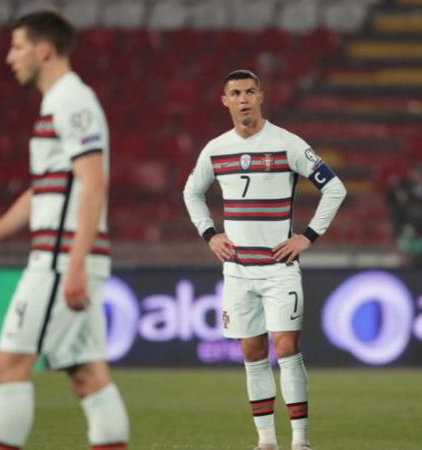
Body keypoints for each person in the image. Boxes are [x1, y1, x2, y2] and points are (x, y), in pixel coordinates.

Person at [0, 11, 128, 450]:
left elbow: (94, 182)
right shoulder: (58, 103)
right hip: (66, 256)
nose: (11, 57)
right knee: (88, 377)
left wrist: (77, 264)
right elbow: (44, 192)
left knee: (8, 368)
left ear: (43, 50)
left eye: (18, 47)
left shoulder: (72, 102)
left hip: (60, 260)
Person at [182, 69, 347, 450]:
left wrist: (307, 237)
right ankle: (266, 442)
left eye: (250, 92)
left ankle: (301, 441)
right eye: (236, 93)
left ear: (261, 97)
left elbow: (334, 188)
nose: (243, 99)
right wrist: (210, 234)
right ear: (225, 100)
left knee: (286, 346)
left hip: (279, 270)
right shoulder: (215, 149)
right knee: (251, 352)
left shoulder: (287, 144)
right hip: (238, 272)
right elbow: (192, 193)